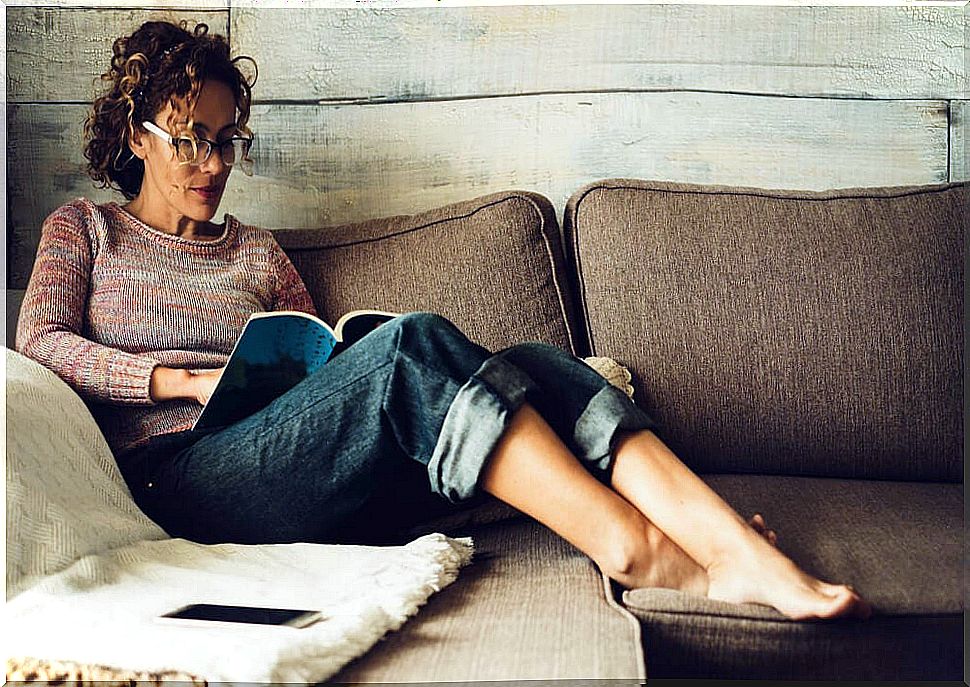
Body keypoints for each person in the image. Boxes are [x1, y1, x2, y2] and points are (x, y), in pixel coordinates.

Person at [16, 19, 870, 622]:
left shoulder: (261, 253)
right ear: (135, 136)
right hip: (183, 482)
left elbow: (324, 378)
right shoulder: (82, 230)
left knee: (540, 359)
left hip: (297, 468)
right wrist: (184, 379)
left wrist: (319, 366)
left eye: (226, 138)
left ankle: (727, 542)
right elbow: (40, 344)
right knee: (411, 348)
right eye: (186, 138)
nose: (210, 163)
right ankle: (645, 552)